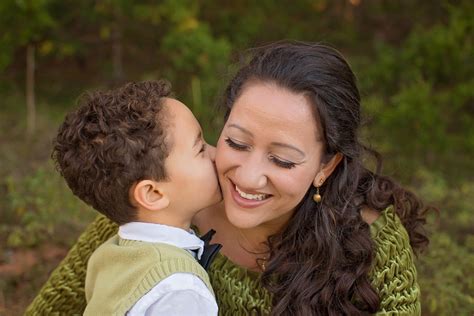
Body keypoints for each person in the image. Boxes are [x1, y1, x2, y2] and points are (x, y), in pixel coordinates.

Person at [27, 42, 430, 315]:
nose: (248, 176)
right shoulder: (161, 211)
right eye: (236, 142)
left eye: (283, 160)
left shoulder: (374, 244)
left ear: (325, 166)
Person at [50, 80, 222, 315]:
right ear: (153, 194)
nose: (217, 153)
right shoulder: (180, 290)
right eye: (200, 148)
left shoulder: (109, 256)